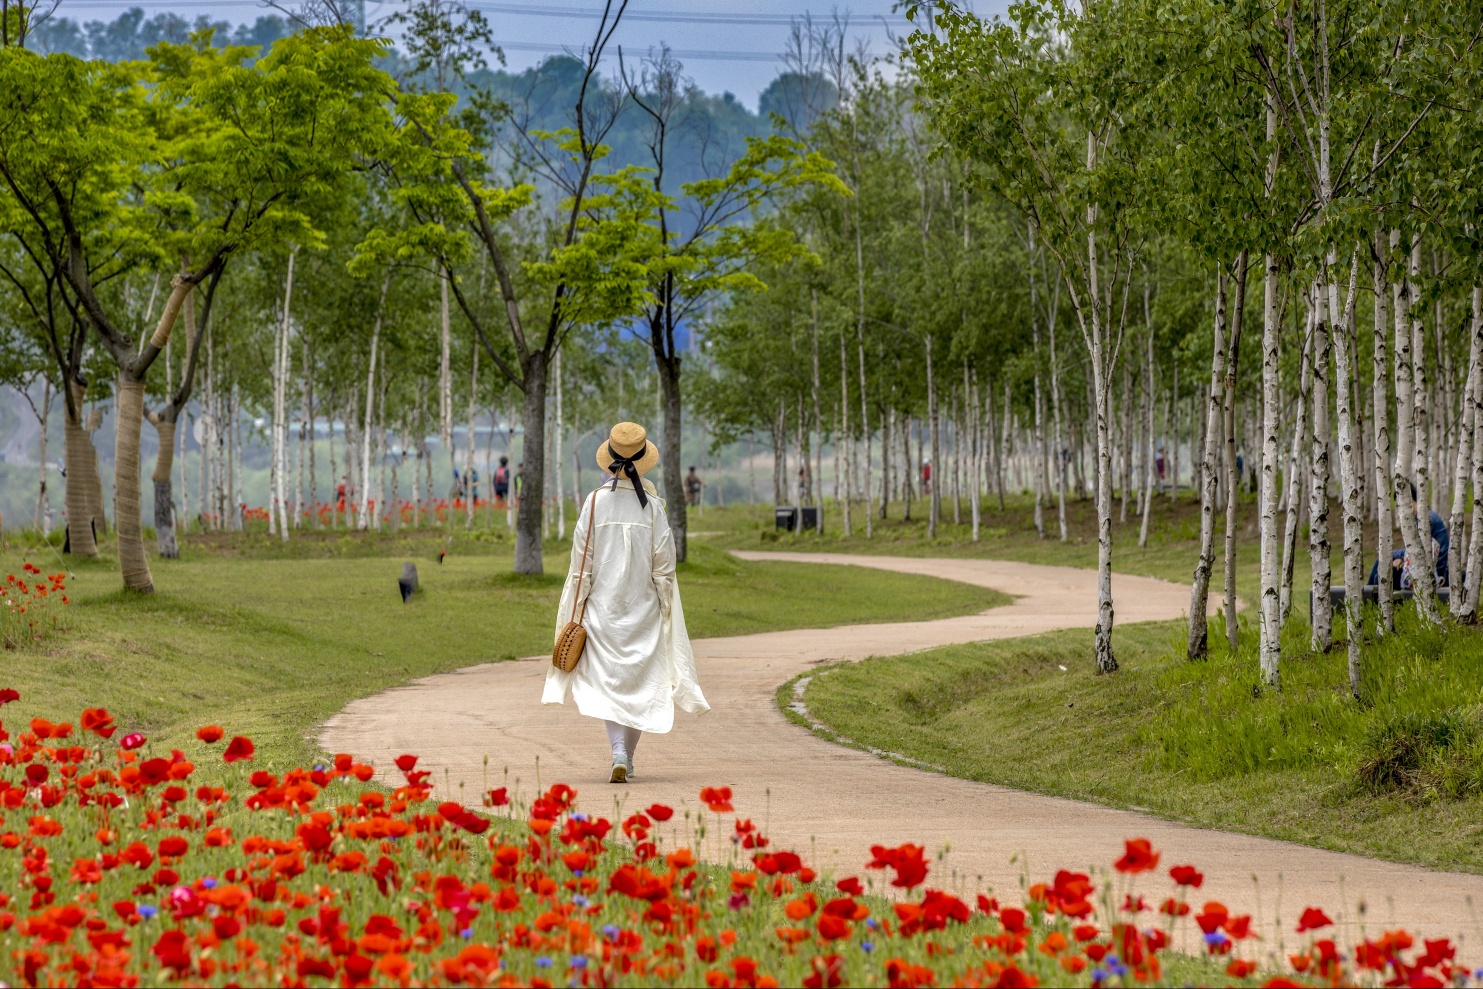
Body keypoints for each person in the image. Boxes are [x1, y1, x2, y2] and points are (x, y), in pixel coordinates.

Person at [543, 422, 709, 782]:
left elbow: (580, 565)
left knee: (610, 682)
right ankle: (627, 756)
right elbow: (665, 565)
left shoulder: (593, 503)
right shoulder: (651, 508)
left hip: (603, 608)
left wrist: (577, 605)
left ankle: (618, 752)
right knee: (641, 682)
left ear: (610, 459)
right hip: (643, 608)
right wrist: (664, 603)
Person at [1369, 485, 1451, 589]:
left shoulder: (1426, 520)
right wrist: (1401, 557)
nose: (1399, 511)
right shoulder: (1421, 518)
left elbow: (1418, 550)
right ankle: (1368, 597)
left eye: (1399, 506)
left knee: (1384, 565)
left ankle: (1368, 599)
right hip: (1426, 568)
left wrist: (1396, 555)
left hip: (1434, 573)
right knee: (1382, 568)